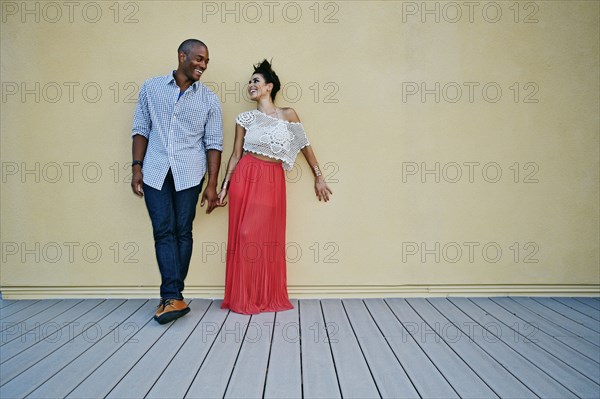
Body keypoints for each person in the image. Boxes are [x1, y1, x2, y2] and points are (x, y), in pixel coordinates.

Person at [217, 60, 332, 314]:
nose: (251, 85)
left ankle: (264, 295)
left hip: (271, 180)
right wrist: (224, 186)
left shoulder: (288, 114)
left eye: (256, 81)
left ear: (269, 87)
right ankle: (244, 298)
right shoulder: (245, 118)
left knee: (263, 240)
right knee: (244, 235)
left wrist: (318, 176)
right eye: (250, 82)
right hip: (246, 175)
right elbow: (236, 155)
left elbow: (305, 146)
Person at [131, 39, 223, 324]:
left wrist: (211, 185)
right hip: (156, 170)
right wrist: (136, 167)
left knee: (182, 230)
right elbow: (140, 129)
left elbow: (214, 144)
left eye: (206, 61)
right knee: (163, 230)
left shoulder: (209, 99)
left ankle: (172, 296)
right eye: (198, 59)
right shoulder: (151, 88)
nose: (203, 65)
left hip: (190, 173)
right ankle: (173, 296)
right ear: (182, 56)